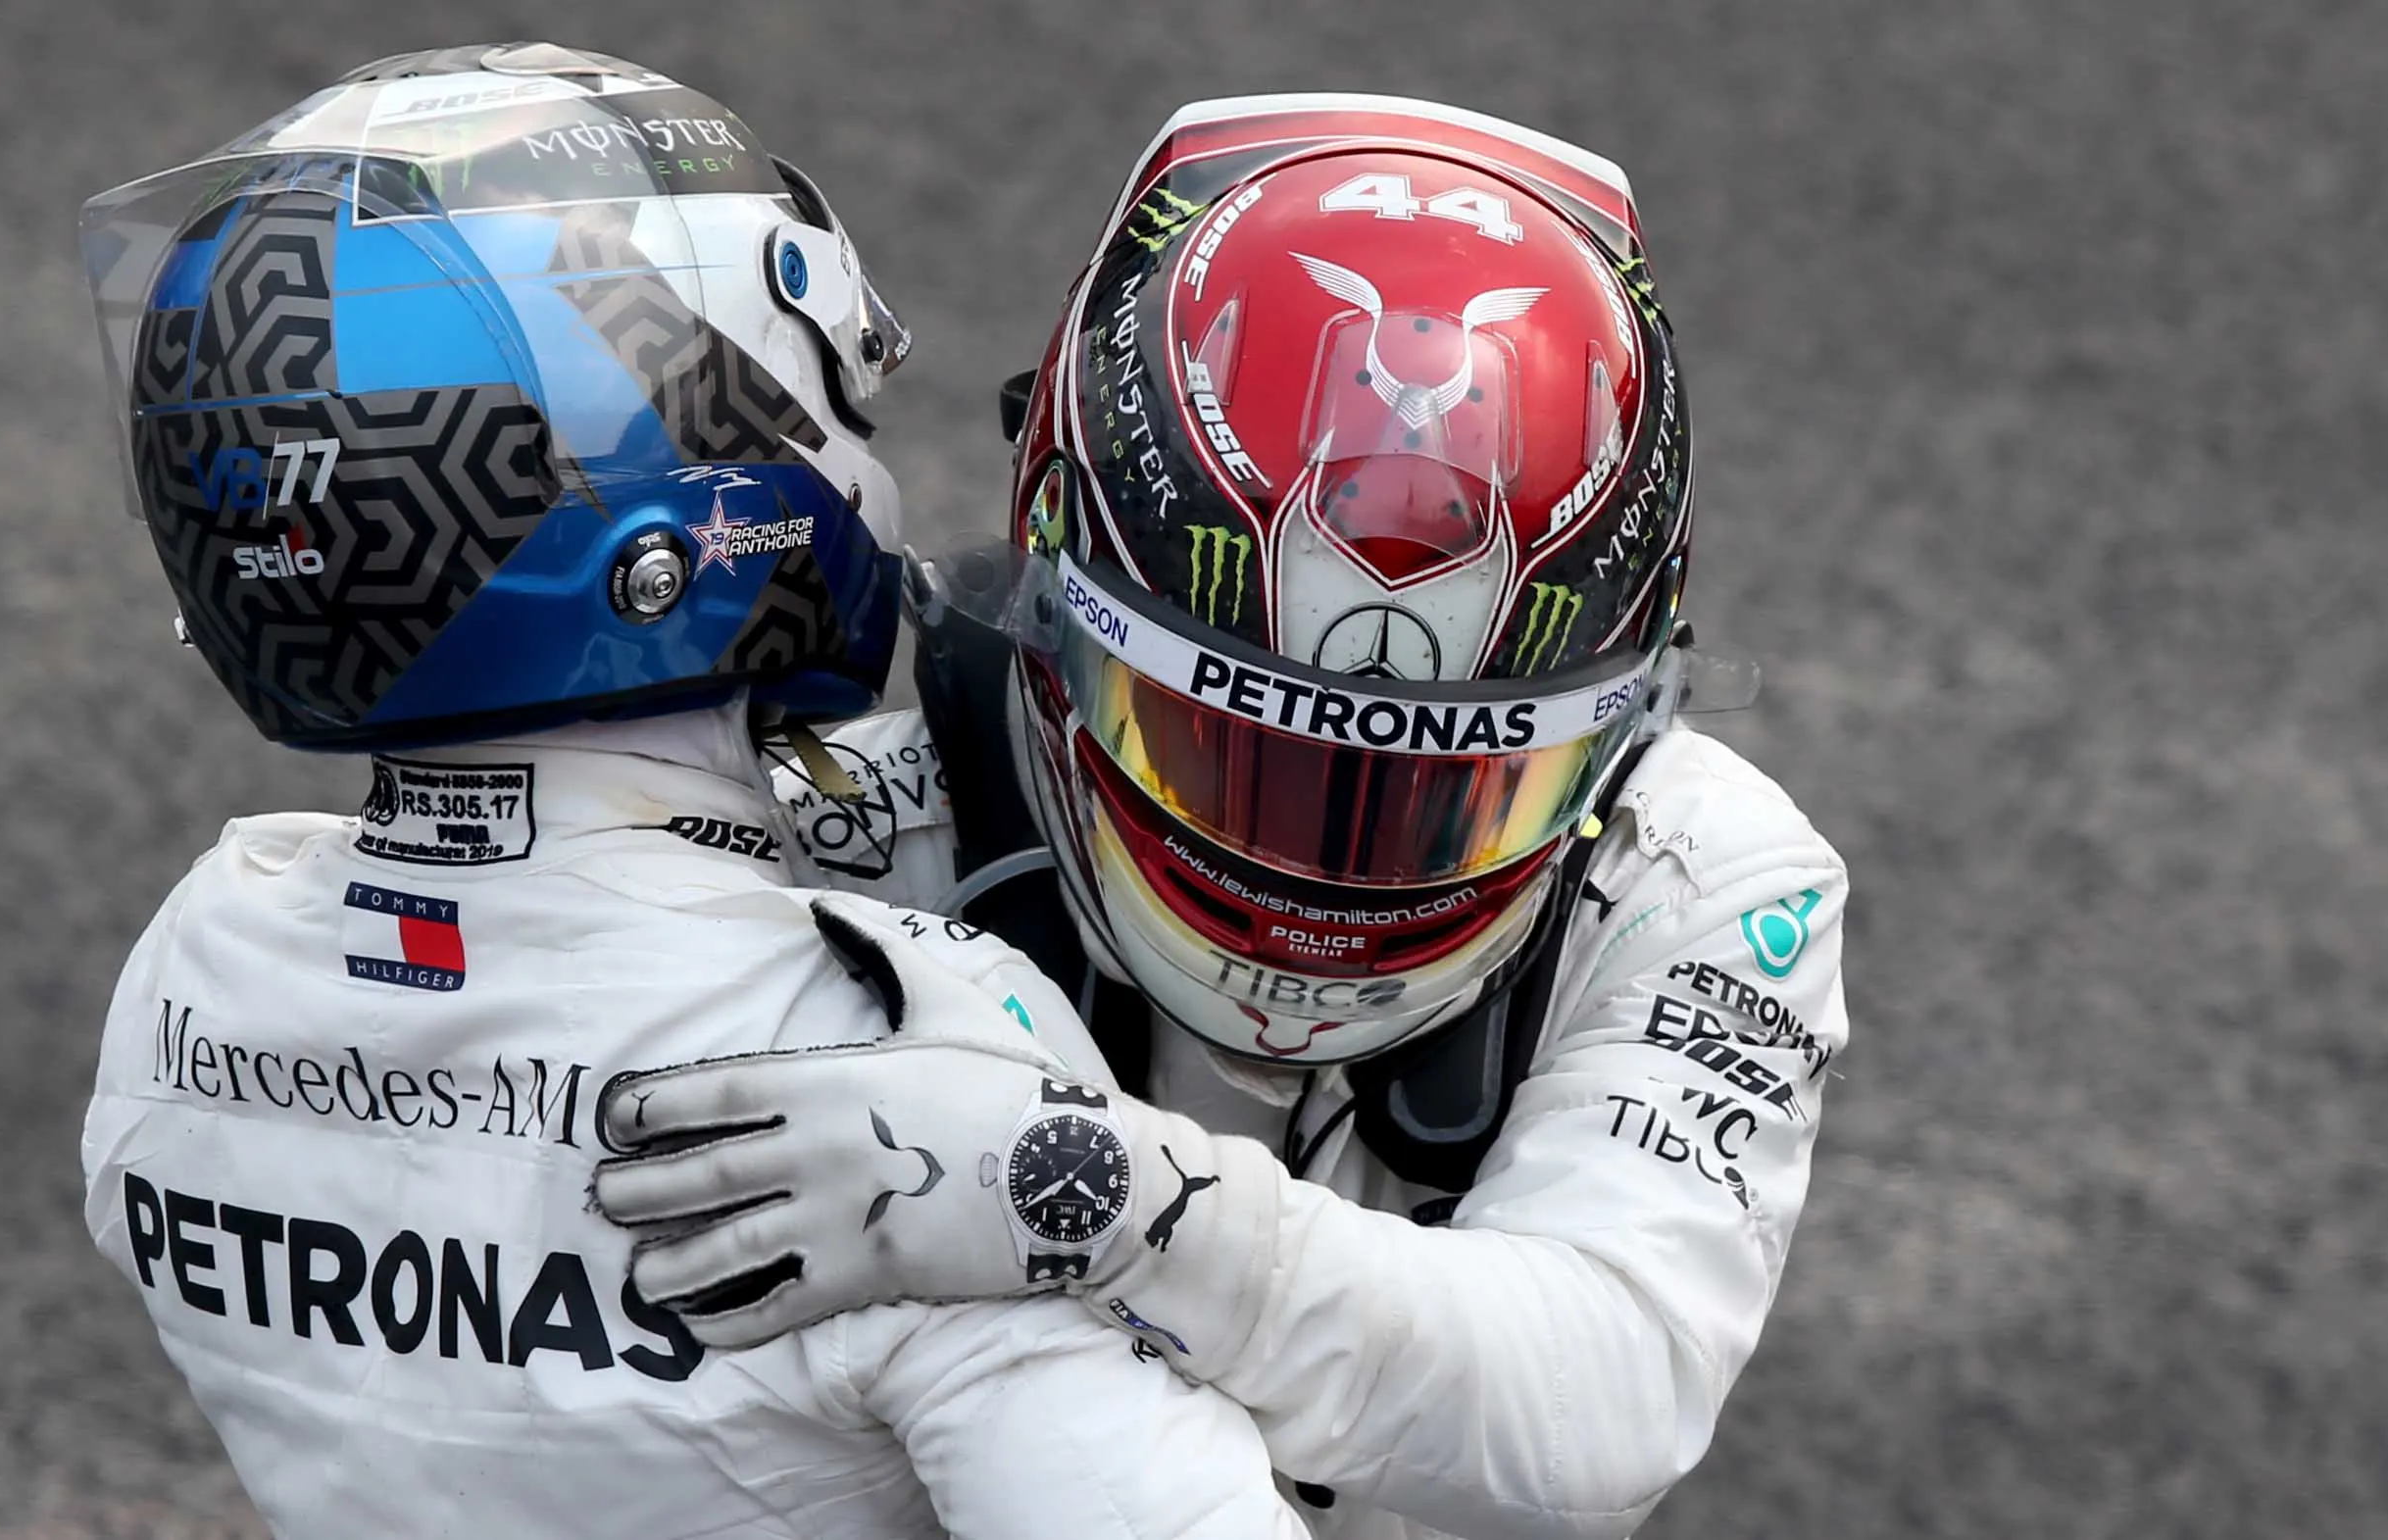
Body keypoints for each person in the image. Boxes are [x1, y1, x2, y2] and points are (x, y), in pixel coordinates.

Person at [75, 46, 1311, 1540]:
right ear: (668, 510)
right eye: (831, 397)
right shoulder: (889, 1045)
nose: (856, 453)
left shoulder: (193, 980)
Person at [593, 94, 1853, 1540]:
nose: (1323, 868)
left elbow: (1596, 1405)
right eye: (1229, 745)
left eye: (1447, 785)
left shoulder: (1700, 874)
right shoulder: (844, 813)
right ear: (1052, 603)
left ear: (1630, 705)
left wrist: (1084, 1191)